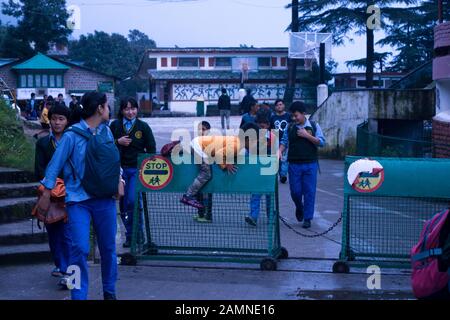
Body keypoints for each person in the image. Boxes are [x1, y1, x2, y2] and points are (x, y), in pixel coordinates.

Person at [37, 91, 121, 300]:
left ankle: (109, 291)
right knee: (79, 249)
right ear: (100, 108)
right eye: (107, 106)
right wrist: (46, 193)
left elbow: (112, 162)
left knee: (109, 248)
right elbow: (54, 165)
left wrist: (120, 181)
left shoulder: (106, 132)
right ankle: (78, 295)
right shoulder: (71, 135)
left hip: (104, 198)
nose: (109, 110)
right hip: (78, 200)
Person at [110, 97, 156, 248]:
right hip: (119, 170)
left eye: (133, 108)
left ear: (137, 109)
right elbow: (105, 144)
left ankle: (138, 233)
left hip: (137, 169)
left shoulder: (143, 127)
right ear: (122, 110)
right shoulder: (115, 125)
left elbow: (151, 149)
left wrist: (145, 166)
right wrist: (118, 142)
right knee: (123, 205)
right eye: (127, 109)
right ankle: (130, 236)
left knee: (132, 201)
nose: (130, 112)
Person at [34, 104, 72, 288]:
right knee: (53, 233)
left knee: (66, 234)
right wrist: (51, 187)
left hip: (69, 194)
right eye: (54, 118)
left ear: (67, 121)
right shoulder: (42, 143)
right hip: (49, 194)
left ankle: (67, 269)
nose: (57, 123)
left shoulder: (72, 140)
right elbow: (39, 170)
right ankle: (60, 264)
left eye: (61, 119)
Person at [279, 101, 326, 229]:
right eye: (292, 116)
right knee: (295, 192)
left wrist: (307, 136)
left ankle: (307, 218)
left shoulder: (314, 126)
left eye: (296, 116)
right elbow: (284, 142)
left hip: (310, 164)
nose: (294, 118)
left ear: (303, 114)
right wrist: (279, 151)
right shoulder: (289, 127)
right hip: (294, 165)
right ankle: (299, 206)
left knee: (309, 192)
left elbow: (321, 142)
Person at [245, 117, 276, 227]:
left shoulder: (272, 138)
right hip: (256, 173)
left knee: (269, 197)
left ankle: (271, 217)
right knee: (255, 195)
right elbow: (247, 154)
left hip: (269, 173)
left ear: (268, 125)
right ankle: (253, 217)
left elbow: (276, 155)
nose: (261, 129)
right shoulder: (253, 139)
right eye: (259, 126)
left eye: (263, 126)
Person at [193, 121, 213, 223]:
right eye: (199, 129)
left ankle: (208, 215)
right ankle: (201, 213)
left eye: (203, 129)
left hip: (208, 172)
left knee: (207, 194)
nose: (201, 131)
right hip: (199, 172)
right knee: (199, 193)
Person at [270, 99, 292, 184]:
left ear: (284, 105)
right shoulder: (272, 117)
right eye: (278, 105)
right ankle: (279, 173)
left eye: (281, 104)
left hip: (286, 141)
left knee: (285, 158)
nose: (279, 106)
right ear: (275, 107)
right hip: (275, 140)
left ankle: (283, 175)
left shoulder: (288, 116)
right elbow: (270, 128)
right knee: (277, 158)